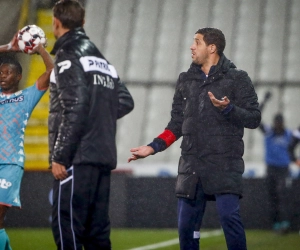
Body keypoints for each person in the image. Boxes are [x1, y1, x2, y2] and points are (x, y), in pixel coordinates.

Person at [128, 27, 261, 250]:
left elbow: (254, 118)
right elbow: (176, 124)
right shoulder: (185, 80)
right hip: (191, 167)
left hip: (225, 165)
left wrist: (229, 109)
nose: (191, 46)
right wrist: (152, 147)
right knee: (186, 229)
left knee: (230, 220)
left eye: (197, 42)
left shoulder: (238, 78)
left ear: (212, 48)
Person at [49, 1, 134, 249]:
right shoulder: (101, 60)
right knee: (97, 232)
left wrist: (61, 156)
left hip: (76, 157)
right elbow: (125, 101)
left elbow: (76, 105)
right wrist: (98, 115)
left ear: (56, 22)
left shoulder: (68, 54)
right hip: (102, 156)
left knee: (68, 227)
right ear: (83, 23)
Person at [0, 34, 53, 249]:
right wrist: (7, 47)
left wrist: (39, 49)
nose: (2, 76)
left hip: (10, 163)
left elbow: (52, 72)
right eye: (0, 72)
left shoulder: (26, 97)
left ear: (19, 76)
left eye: (8, 72)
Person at [258, 102, 293, 233]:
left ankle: (285, 222)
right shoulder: (269, 132)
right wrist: (265, 101)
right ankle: (276, 224)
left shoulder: (289, 134)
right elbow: (257, 119)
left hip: (283, 169)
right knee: (273, 197)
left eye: (280, 122)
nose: (278, 124)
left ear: (283, 123)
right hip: (271, 168)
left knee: (282, 194)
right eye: (277, 122)